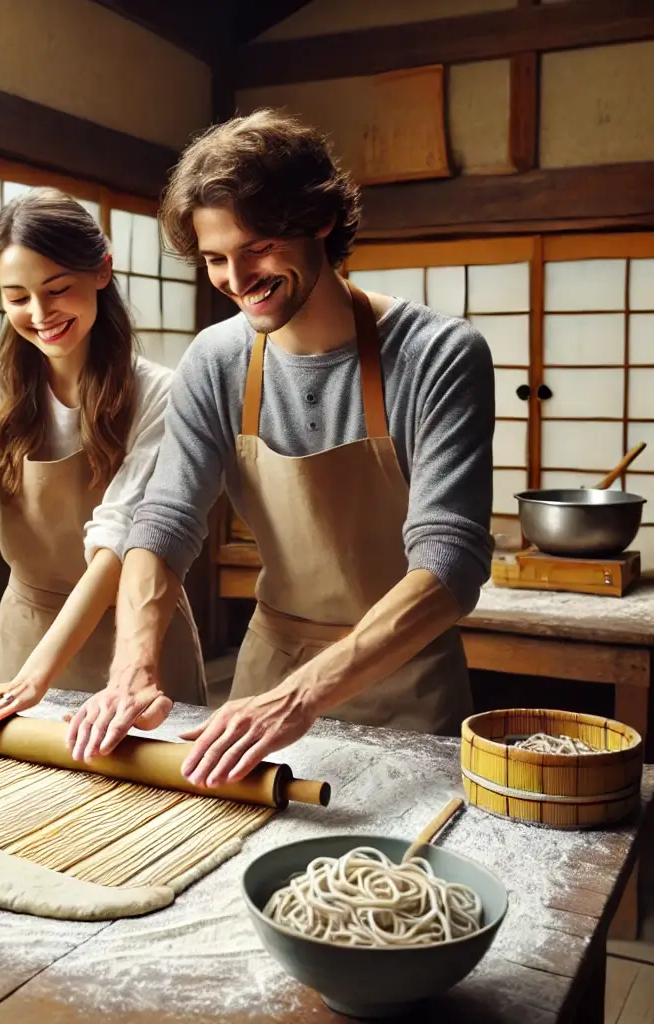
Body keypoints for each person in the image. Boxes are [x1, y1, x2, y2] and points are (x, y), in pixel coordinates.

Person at [67, 109, 495, 784]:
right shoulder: (216, 359)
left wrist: (303, 697)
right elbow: (165, 520)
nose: (237, 280)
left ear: (319, 220)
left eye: (257, 246)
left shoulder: (439, 355)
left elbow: (451, 562)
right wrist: (132, 668)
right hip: (268, 674)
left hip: (406, 679)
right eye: (214, 259)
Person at [0, 188, 206, 739]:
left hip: (136, 640)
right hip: (25, 632)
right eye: (17, 297)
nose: (40, 315)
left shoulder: (159, 393)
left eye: (57, 289)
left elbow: (120, 545)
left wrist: (36, 679)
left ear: (101, 272)